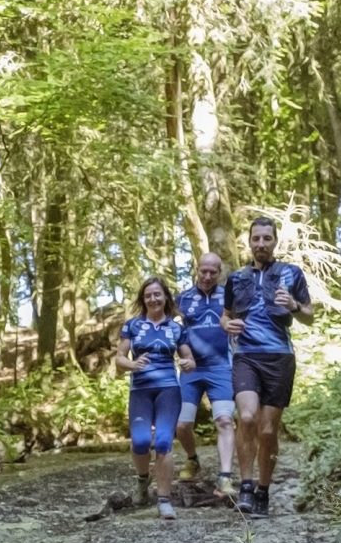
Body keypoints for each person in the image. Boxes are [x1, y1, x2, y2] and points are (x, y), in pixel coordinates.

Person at [222, 218, 314, 518]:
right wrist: (227, 324)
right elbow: (225, 315)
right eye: (256, 239)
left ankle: (263, 489)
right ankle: (246, 486)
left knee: (267, 429)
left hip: (279, 358)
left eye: (266, 238)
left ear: (275, 241)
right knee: (246, 417)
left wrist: (294, 307)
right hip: (246, 356)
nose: (261, 243)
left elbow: (310, 315)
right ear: (248, 242)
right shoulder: (236, 278)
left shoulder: (292, 273)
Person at [116, 277, 195, 520]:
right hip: (140, 390)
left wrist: (186, 363)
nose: (153, 299)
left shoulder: (176, 328)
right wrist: (132, 364)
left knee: (163, 442)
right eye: (148, 295)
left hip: (169, 390)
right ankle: (142, 481)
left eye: (157, 294)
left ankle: (164, 500)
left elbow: (190, 360)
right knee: (140, 442)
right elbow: (119, 359)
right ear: (143, 300)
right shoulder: (132, 326)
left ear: (165, 298)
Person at [175, 253, 237, 503]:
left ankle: (225, 476)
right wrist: (183, 356)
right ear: (197, 270)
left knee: (224, 421)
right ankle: (192, 460)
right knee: (182, 424)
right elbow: (175, 333)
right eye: (204, 271)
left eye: (213, 271)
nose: (208, 276)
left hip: (221, 368)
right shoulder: (183, 299)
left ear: (220, 272)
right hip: (192, 371)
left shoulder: (228, 297)